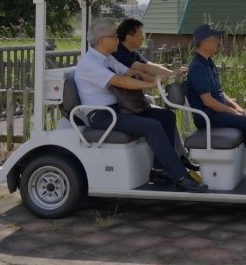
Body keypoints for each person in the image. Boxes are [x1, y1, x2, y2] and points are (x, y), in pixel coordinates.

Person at [74, 17, 207, 193]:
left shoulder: (107, 58)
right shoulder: (89, 63)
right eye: (114, 36)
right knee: (152, 126)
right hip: (103, 116)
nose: (117, 39)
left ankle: (160, 169)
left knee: (166, 117)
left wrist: (157, 79)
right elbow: (120, 81)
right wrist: (151, 84)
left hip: (119, 110)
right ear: (102, 40)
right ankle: (181, 176)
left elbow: (131, 72)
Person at [185, 24, 246, 183]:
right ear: (204, 42)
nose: (218, 42)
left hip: (218, 112)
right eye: (214, 39)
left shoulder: (208, 63)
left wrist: (238, 108)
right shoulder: (197, 67)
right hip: (208, 116)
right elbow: (208, 102)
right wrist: (234, 113)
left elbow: (219, 93)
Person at [112, 17, 199, 172]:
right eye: (140, 34)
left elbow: (151, 65)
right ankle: (167, 165)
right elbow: (142, 69)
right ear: (129, 37)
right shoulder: (119, 53)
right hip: (125, 107)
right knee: (161, 120)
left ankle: (177, 158)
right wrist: (164, 77)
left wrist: (173, 73)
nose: (143, 37)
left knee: (168, 117)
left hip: (135, 103)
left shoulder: (132, 52)